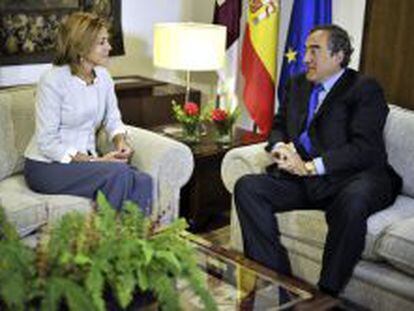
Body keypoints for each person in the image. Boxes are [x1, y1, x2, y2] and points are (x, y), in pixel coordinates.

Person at [234, 24, 402, 296]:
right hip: (306, 180)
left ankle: (325, 295)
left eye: (315, 50)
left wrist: (311, 166)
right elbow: (278, 125)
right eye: (306, 50)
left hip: (353, 178)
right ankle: (277, 284)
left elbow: (364, 149)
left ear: (338, 56)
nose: (306, 58)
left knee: (353, 202)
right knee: (248, 187)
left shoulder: (364, 89)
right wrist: (279, 148)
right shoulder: (297, 85)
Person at [24, 12, 152, 214]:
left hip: (86, 163)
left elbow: (113, 119)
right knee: (118, 174)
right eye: (102, 42)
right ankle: (110, 240)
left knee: (144, 180)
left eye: (107, 41)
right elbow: (47, 143)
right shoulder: (52, 81)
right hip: (47, 166)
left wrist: (120, 142)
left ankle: (137, 241)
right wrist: (96, 162)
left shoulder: (104, 77)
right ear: (81, 46)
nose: (109, 47)